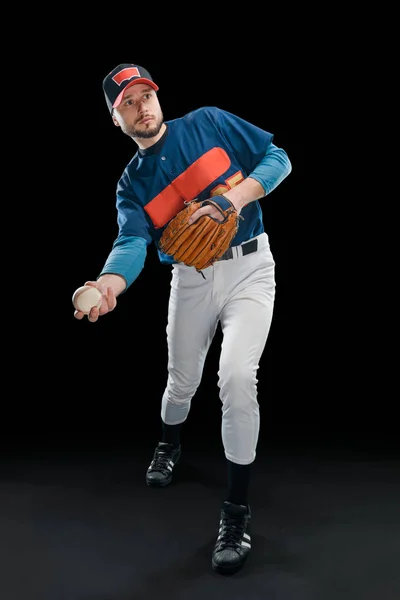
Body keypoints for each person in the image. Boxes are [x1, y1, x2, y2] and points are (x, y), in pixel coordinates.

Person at [73, 62, 292, 575]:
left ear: (157, 97)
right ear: (116, 119)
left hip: (250, 268)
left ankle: (236, 513)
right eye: (128, 102)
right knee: (181, 382)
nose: (141, 106)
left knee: (237, 378)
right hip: (191, 281)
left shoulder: (209, 123)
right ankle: (168, 444)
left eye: (145, 95)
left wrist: (229, 201)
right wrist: (108, 284)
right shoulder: (132, 184)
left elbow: (277, 157)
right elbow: (130, 242)